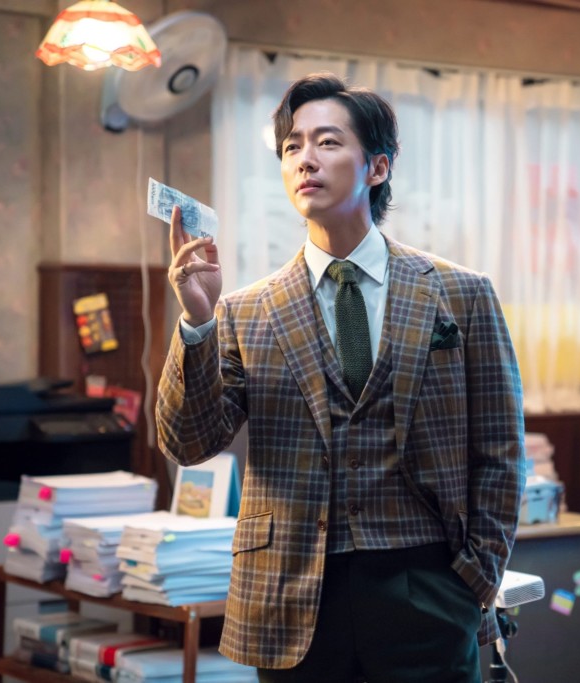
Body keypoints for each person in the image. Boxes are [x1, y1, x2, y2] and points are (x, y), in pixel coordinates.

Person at [156, 72, 525, 683]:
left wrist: (475, 576)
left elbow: (501, 448)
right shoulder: (247, 311)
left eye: (327, 142)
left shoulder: (461, 294)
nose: (306, 159)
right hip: (290, 592)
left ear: (377, 167)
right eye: (292, 147)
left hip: (427, 585)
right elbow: (187, 443)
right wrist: (199, 321)